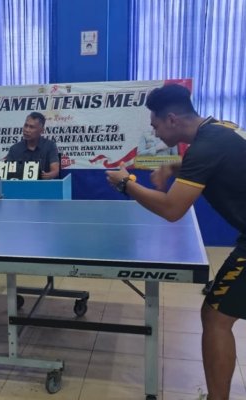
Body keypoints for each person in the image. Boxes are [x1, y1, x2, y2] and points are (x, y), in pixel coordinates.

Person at [105, 83, 246, 400]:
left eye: (155, 125)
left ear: (171, 119)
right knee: (216, 314)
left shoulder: (204, 148)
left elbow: (172, 209)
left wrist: (126, 184)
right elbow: (222, 155)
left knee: (216, 317)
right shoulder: (220, 129)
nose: (154, 133)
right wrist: (173, 164)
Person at [0, 112, 59, 179]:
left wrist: (49, 175)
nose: (27, 130)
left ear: (42, 130)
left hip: (42, 184)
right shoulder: (14, 149)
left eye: (31, 127)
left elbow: (55, 171)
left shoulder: (50, 146)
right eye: (26, 126)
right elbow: (6, 171)